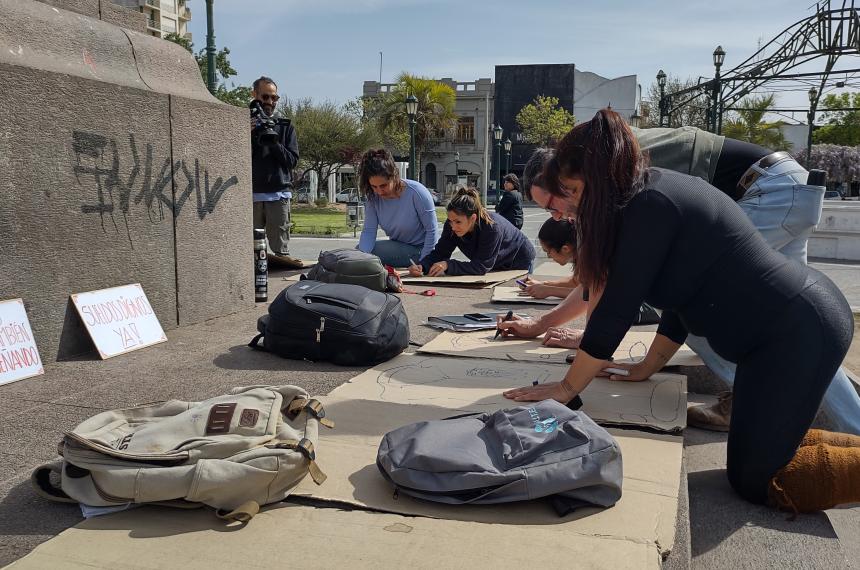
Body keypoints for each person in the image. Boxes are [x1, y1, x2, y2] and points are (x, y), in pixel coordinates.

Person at [503, 109, 857, 514]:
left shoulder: (648, 203)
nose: (569, 209)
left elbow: (615, 311)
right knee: (755, 458)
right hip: (775, 340)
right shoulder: (640, 201)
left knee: (760, 481)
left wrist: (565, 389)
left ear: (598, 178)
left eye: (573, 191)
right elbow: (679, 300)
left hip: (799, 331)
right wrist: (645, 367)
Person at [408, 186, 535, 276]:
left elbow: (481, 266)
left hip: (519, 259)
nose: (453, 227)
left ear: (473, 218)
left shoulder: (491, 227)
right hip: (495, 262)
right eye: (450, 221)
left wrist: (448, 265)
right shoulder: (451, 224)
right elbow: (441, 251)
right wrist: (423, 266)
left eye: (458, 222)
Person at [250, 76, 303, 269]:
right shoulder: (243, 124)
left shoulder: (285, 126)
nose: (270, 102)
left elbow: (292, 161)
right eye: (265, 97)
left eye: (274, 98)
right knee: (250, 250)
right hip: (251, 195)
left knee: (281, 253)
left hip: (278, 195)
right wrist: (250, 134)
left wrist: (274, 142)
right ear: (254, 95)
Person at [357, 149, 439, 267]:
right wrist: (361, 258)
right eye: (374, 186)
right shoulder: (373, 197)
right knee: (361, 252)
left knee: (369, 255)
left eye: (383, 185)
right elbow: (369, 231)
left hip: (424, 249)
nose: (379, 191)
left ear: (394, 176)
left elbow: (432, 231)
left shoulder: (417, 192)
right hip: (399, 247)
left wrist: (424, 263)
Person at [521, 218, 578, 300]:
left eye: (548, 252)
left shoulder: (591, 258)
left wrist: (549, 290)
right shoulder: (579, 251)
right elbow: (576, 282)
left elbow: (588, 294)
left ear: (565, 249)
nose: (548, 257)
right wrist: (543, 284)